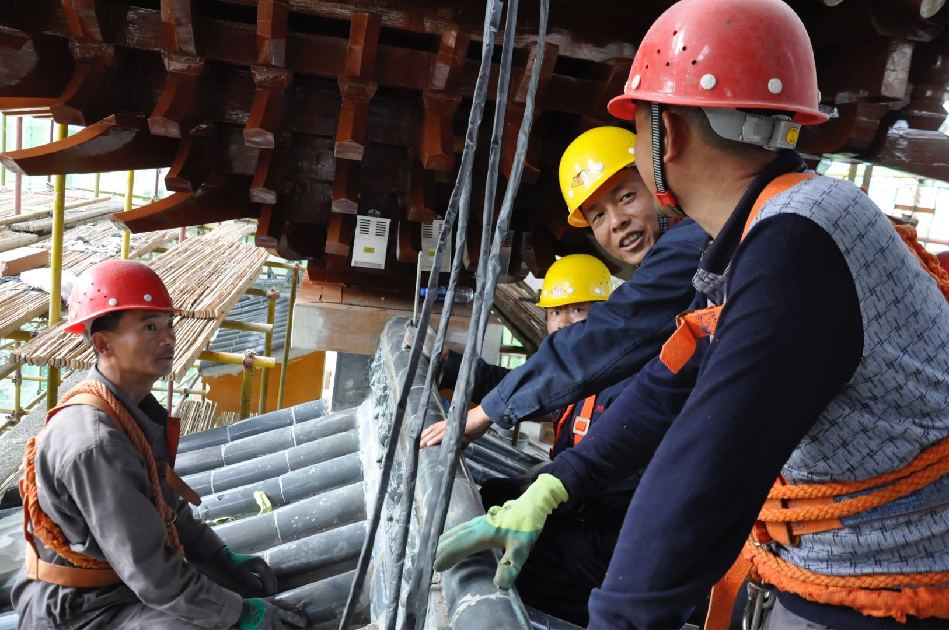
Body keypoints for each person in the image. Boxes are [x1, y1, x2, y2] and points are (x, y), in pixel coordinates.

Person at [434, 1, 949, 628]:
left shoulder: (795, 247)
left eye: (636, 131)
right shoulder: (771, 231)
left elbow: (708, 462)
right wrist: (558, 480)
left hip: (886, 598)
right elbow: (670, 383)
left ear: (666, 134)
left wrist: (619, 620)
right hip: (849, 573)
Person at [12, 260, 305, 629]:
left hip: (118, 583)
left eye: (169, 325)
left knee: (238, 586)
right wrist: (240, 614)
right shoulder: (97, 443)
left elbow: (164, 506)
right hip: (80, 608)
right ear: (103, 344)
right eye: (150, 327)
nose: (168, 339)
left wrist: (221, 556)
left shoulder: (130, 410)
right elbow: (151, 572)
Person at [419, 125, 707, 449]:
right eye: (597, 216)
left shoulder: (691, 249)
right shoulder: (681, 267)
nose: (616, 221)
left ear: (659, 184)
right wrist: (451, 367)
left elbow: (600, 347)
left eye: (627, 196)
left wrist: (490, 413)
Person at [434, 253, 640, 625]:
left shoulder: (628, 381)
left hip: (619, 536)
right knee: (495, 494)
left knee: (520, 562)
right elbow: (520, 384)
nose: (563, 323)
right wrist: (452, 367)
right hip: (584, 505)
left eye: (578, 310)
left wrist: (544, 496)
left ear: (608, 316)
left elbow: (621, 479)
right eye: (555, 312)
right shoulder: (578, 375)